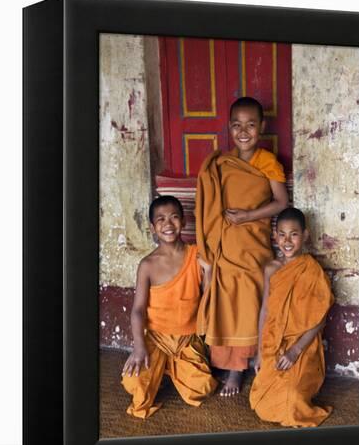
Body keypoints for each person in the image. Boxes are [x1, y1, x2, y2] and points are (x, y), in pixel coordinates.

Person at [196, 96, 288, 396]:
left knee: (247, 301)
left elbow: (280, 203)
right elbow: (211, 202)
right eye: (237, 125)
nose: (244, 131)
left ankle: (237, 370)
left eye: (251, 124)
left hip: (252, 246)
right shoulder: (222, 163)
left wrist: (248, 215)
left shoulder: (268, 162)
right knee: (224, 301)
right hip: (226, 244)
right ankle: (224, 362)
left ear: (262, 126)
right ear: (229, 127)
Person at [121, 195, 217, 418]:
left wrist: (209, 271)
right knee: (132, 383)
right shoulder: (147, 265)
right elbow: (137, 310)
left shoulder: (196, 255)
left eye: (174, 217)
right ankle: (161, 368)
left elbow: (208, 299)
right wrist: (138, 347)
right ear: (153, 228)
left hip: (186, 337)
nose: (168, 224)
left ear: (183, 222)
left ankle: (168, 371)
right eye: (161, 219)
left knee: (201, 389)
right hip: (156, 338)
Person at [249, 207, 334, 427]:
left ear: (305, 236)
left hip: (303, 345)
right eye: (282, 234)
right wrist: (259, 352)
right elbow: (265, 310)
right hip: (273, 341)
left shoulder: (313, 271)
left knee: (293, 399)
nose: (287, 241)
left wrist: (295, 351)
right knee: (260, 403)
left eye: (294, 234)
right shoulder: (271, 268)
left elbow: (320, 319)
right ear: (275, 236)